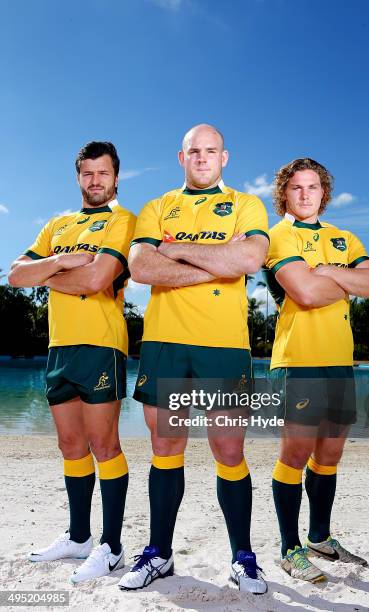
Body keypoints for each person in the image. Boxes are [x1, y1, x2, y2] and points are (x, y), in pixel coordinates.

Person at [118, 124, 269, 594]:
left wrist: (176, 250)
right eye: (193, 151)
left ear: (225, 158)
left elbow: (248, 261)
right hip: (164, 343)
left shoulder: (247, 204)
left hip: (224, 346)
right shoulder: (157, 206)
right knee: (165, 449)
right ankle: (159, 554)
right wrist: (215, 261)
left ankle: (243, 558)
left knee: (229, 450)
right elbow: (141, 267)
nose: (202, 158)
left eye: (210, 151)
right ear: (180, 157)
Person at [8, 141, 136, 583]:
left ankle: (113, 546)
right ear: (78, 177)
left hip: (101, 344)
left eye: (103, 173)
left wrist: (45, 274)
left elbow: (99, 278)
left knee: (104, 447)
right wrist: (62, 261)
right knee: (70, 447)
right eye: (88, 173)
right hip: (58, 347)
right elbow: (15, 275)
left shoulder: (124, 221)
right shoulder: (57, 225)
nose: (95, 181)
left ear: (116, 178)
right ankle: (79, 537)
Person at [263, 158, 369, 582]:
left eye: (312, 187)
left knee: (330, 455)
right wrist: (347, 279)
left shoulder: (344, 238)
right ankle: (288, 547)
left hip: (339, 360)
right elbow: (307, 293)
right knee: (295, 455)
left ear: (323, 192)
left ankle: (319, 536)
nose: (305, 194)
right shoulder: (278, 235)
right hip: (299, 360)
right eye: (296, 187)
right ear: (284, 193)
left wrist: (330, 270)